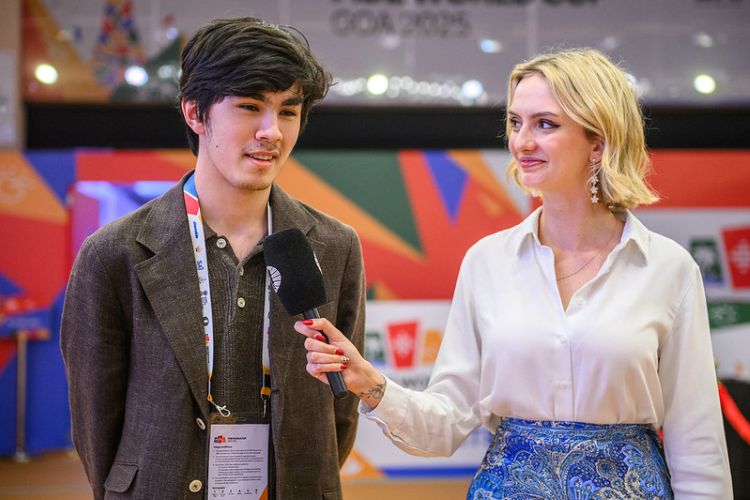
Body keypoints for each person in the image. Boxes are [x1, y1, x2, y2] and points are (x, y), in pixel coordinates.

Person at [295, 48, 733, 498]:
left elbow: (697, 444)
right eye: (515, 122)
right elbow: (446, 424)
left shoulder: (668, 268)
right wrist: (370, 384)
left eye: (545, 124)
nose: (522, 141)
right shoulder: (487, 262)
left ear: (598, 141)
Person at [61, 17, 365, 499]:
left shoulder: (334, 245)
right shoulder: (114, 253)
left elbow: (340, 409)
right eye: (249, 107)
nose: (272, 131)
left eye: (288, 111)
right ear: (195, 113)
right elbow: (95, 417)